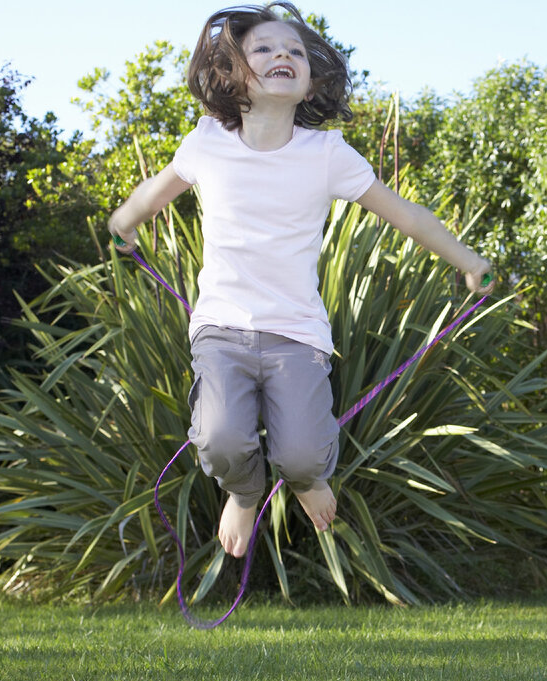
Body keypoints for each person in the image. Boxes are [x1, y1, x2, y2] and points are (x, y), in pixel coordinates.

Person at [108, 2, 493, 559]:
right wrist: (124, 223)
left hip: (298, 335)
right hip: (220, 328)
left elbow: (406, 214)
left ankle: (309, 482)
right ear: (233, 75)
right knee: (219, 440)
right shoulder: (208, 142)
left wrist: (467, 259)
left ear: (310, 85)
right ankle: (244, 492)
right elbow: (152, 193)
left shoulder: (327, 154)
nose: (281, 56)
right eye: (263, 49)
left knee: (305, 455)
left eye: (294, 52)